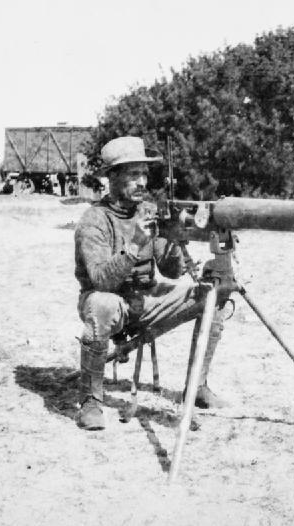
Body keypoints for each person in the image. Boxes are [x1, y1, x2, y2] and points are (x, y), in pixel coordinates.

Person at [74, 136, 228, 430]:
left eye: (144, 174)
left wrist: (174, 241)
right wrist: (134, 246)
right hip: (111, 303)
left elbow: (169, 271)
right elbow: (101, 281)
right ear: (112, 178)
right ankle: (90, 401)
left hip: (147, 299)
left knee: (214, 297)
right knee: (101, 304)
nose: (142, 181)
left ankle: (197, 385)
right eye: (133, 174)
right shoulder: (95, 220)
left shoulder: (147, 210)